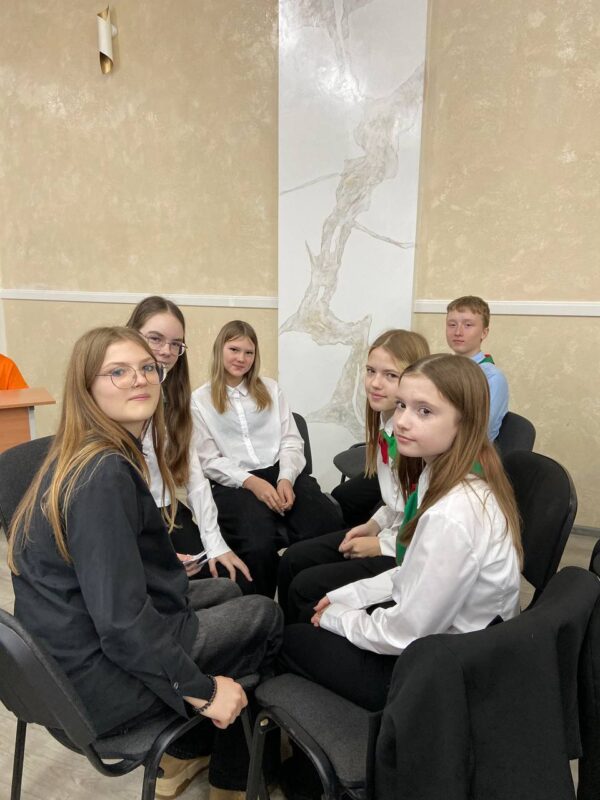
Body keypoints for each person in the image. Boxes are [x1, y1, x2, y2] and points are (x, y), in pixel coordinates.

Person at [8, 327, 283, 800]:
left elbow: (91, 561)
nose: (139, 379)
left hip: (61, 656)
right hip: (97, 684)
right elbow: (120, 624)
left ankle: (194, 747)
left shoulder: (77, 451)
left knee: (227, 590)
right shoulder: (104, 474)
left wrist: (152, 562)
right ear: (86, 387)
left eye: (147, 368)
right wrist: (202, 691)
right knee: (265, 614)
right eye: (118, 371)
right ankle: (234, 774)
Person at [279, 354, 522, 718]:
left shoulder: (452, 514)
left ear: (465, 422)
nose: (403, 421)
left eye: (425, 411)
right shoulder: (443, 473)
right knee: (316, 602)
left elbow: (405, 633)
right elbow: (412, 575)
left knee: (290, 641)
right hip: (444, 643)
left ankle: (334, 746)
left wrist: (339, 619)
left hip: (444, 674)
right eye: (403, 405)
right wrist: (347, 597)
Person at [278, 329, 430, 623]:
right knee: (293, 559)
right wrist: (373, 524)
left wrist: (380, 545)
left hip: (406, 554)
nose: (375, 383)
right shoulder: (387, 426)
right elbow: (397, 504)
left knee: (305, 586)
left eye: (390, 375)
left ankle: (303, 637)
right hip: (392, 534)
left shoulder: (419, 444)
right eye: (371, 371)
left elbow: (427, 531)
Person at [191, 320, 343, 598]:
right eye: (234, 349)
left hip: (281, 472)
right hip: (234, 483)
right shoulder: (199, 401)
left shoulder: (272, 390)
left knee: (325, 523)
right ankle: (262, 608)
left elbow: (291, 440)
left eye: (248, 352)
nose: (241, 358)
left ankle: (306, 600)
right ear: (219, 350)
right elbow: (208, 460)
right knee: (257, 543)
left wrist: (286, 478)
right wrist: (251, 482)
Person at [126, 296, 251, 593]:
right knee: (172, 589)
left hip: (165, 510)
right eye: (155, 339)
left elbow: (195, 477)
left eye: (175, 344)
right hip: (125, 518)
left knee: (223, 577)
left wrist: (215, 543)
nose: (166, 351)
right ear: (131, 335)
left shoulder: (173, 399)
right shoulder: (114, 398)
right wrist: (151, 560)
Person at [445, 295, 509, 440]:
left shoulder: (492, 378)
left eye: (468, 325)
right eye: (452, 324)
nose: (458, 332)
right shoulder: (441, 370)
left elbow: (479, 430)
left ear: (484, 333)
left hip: (471, 449)